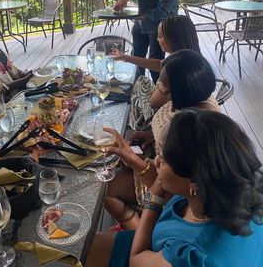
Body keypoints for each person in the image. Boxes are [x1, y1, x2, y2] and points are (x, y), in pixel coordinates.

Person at [86, 110, 263, 267]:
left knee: (83, 254)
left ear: (194, 180)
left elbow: (136, 260)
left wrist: (154, 195)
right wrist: (132, 159)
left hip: (150, 254)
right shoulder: (228, 187)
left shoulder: (193, 255)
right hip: (160, 243)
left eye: (163, 157)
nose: (156, 161)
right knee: (86, 248)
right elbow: (173, 193)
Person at [104, 50, 219, 231]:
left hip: (172, 190)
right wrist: (152, 136)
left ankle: (139, 230)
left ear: (178, 91)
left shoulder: (193, 127)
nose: (160, 90)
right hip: (162, 171)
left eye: (164, 88)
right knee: (115, 165)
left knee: (107, 187)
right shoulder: (193, 99)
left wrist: (134, 161)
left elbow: (171, 185)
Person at [112, 15, 200, 132]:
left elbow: (154, 103)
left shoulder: (176, 69)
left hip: (163, 120)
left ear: (173, 38)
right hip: (177, 112)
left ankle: (130, 128)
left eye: (159, 36)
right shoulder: (190, 59)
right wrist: (126, 57)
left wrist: (160, 88)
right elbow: (159, 64)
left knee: (134, 87)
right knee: (139, 82)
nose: (157, 40)